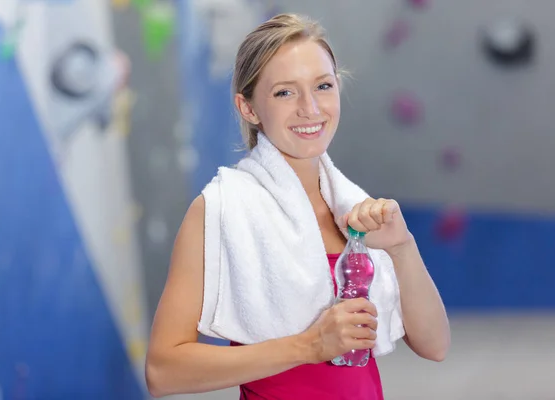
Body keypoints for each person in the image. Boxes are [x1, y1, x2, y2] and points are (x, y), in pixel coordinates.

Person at [145, 13, 450, 399]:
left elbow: (435, 345)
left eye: (322, 86)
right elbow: (163, 371)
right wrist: (310, 345)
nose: (310, 108)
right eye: (285, 92)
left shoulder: (353, 208)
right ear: (249, 109)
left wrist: (401, 248)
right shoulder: (221, 209)